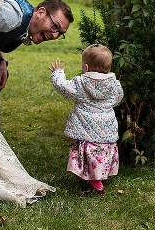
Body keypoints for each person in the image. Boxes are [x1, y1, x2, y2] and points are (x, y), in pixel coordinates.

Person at [49, 44, 123, 196]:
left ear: (86, 67)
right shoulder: (114, 84)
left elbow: (64, 88)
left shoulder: (81, 83)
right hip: (106, 127)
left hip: (85, 128)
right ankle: (99, 175)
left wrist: (57, 74)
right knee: (101, 151)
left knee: (89, 151)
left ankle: (96, 183)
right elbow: (118, 99)